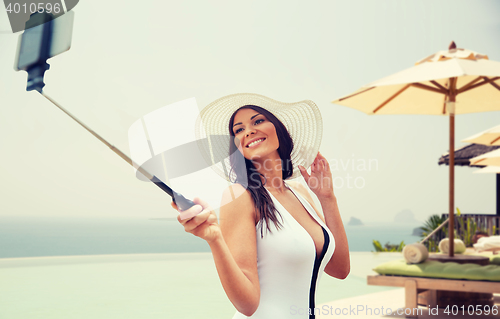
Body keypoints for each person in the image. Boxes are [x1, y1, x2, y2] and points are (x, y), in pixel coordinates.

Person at [172, 93, 350, 319]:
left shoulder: (301, 192)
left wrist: (327, 198)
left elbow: (340, 269)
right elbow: (247, 306)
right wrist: (215, 239)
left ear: (279, 130)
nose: (248, 131)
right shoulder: (239, 196)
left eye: (257, 121)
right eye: (238, 130)